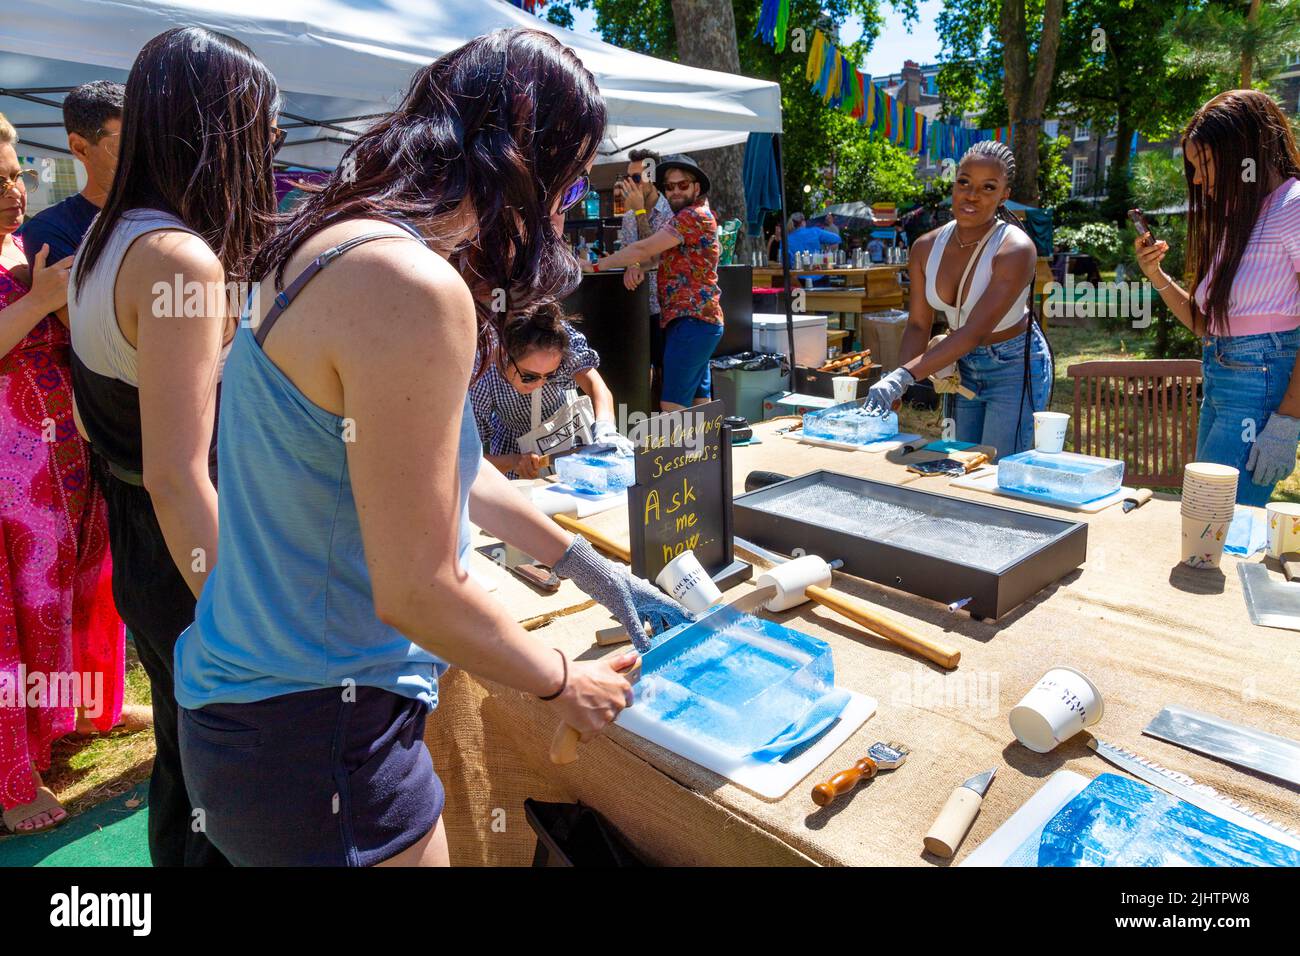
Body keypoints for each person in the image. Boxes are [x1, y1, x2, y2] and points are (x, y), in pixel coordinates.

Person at [173, 28, 687, 867]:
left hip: (257, 712)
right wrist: (563, 679)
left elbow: (461, 469)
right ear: (528, 163)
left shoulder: (331, 243)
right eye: (565, 175)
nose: (561, 207)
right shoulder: (411, 285)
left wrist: (589, 567)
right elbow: (416, 589)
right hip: (318, 729)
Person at [68, 27, 283, 867]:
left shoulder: (108, 237)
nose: (268, 153)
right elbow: (177, 473)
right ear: (216, 135)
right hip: (182, 552)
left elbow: (107, 428)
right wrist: (246, 612)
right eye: (261, 134)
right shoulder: (178, 259)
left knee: (184, 756)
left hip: (142, 542)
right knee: (225, 785)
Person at [0, 116, 124, 835]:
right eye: (0, 180)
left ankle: (68, 716)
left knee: (71, 591)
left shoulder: (22, 240)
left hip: (64, 460)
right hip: (10, 480)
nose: (17, 190)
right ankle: (14, 778)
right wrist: (44, 300)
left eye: (16, 173)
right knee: (13, 619)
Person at [1136, 89, 1300, 505]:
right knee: (1207, 516)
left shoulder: (1292, 206)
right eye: (1193, 167)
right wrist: (1156, 275)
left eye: (1205, 163)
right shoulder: (1240, 216)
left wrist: (1287, 421)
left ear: (1245, 149)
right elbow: (1203, 324)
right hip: (1220, 379)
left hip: (1257, 385)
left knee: (1216, 518)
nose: (1197, 178)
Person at [868, 140, 1052, 460]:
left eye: (988, 187)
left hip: (1013, 366)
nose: (971, 195)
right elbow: (917, 324)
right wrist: (900, 387)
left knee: (996, 470)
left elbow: (975, 332)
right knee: (957, 462)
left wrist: (905, 375)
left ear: (1004, 195)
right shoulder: (925, 247)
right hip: (958, 364)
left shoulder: (1016, 249)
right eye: (964, 182)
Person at [583, 155, 723, 411]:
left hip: (691, 320)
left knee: (671, 406)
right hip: (692, 320)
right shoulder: (689, 216)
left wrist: (594, 266)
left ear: (696, 188)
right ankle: (707, 450)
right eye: (670, 186)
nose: (676, 190)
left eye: (683, 185)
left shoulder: (690, 216)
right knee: (699, 404)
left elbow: (645, 249)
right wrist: (632, 264)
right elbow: (652, 258)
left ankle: (681, 452)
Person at [471, 304, 631, 479]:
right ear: (504, 355)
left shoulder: (558, 338)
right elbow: (468, 457)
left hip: (569, 436)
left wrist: (606, 429)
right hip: (514, 451)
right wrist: (513, 461)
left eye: (550, 375)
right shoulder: (482, 373)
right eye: (530, 377)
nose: (540, 384)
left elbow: (597, 387)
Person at [616, 148, 672, 393]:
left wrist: (639, 211)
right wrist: (632, 265)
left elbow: (654, 255)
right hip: (640, 306)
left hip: (665, 307)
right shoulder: (629, 216)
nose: (631, 184)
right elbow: (633, 255)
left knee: (665, 373)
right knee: (640, 371)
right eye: (628, 178)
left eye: (637, 178)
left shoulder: (670, 212)